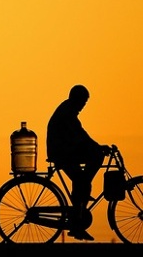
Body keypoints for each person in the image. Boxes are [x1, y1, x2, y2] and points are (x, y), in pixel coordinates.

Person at [46, 84, 110, 241]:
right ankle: (81, 198)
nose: (83, 106)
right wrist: (97, 147)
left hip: (65, 151)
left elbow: (80, 136)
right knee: (86, 172)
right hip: (62, 153)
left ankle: (82, 193)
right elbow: (80, 135)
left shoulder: (68, 110)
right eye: (83, 101)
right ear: (77, 99)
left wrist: (95, 147)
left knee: (83, 175)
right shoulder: (67, 112)